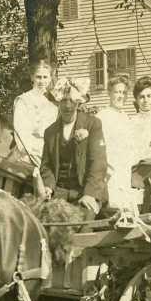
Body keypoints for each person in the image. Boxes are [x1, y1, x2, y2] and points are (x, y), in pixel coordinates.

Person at [39, 77, 108, 216]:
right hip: (59, 193)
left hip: (86, 190)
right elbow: (46, 166)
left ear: (79, 102)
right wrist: (48, 186)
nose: (68, 106)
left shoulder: (93, 124)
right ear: (58, 102)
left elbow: (98, 164)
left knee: (83, 227)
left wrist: (89, 194)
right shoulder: (50, 132)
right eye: (64, 101)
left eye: (72, 101)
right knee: (47, 224)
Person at [95, 73, 138, 210]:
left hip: (124, 169)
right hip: (109, 170)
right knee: (111, 207)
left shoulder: (126, 118)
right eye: (117, 92)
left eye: (124, 92)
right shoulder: (102, 116)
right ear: (109, 93)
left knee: (125, 207)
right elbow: (98, 147)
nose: (121, 96)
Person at [11, 57, 57, 166]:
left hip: (51, 152)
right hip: (29, 155)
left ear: (50, 78)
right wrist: (37, 156)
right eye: (38, 77)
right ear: (32, 77)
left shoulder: (54, 102)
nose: (42, 81)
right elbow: (22, 133)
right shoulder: (23, 100)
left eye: (45, 77)